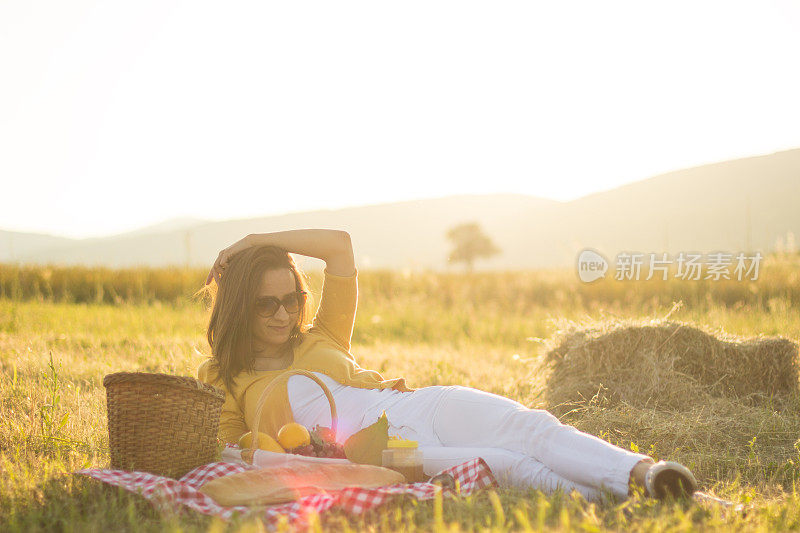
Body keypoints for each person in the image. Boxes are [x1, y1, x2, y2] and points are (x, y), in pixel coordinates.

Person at [195, 229, 696, 501]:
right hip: (383, 452)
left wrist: (252, 242)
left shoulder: (322, 334)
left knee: (531, 427)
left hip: (419, 405)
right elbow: (231, 451)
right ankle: (623, 505)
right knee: (509, 464)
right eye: (266, 304)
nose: (283, 314)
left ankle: (646, 475)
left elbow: (340, 246)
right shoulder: (225, 378)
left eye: (290, 299)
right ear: (241, 308)